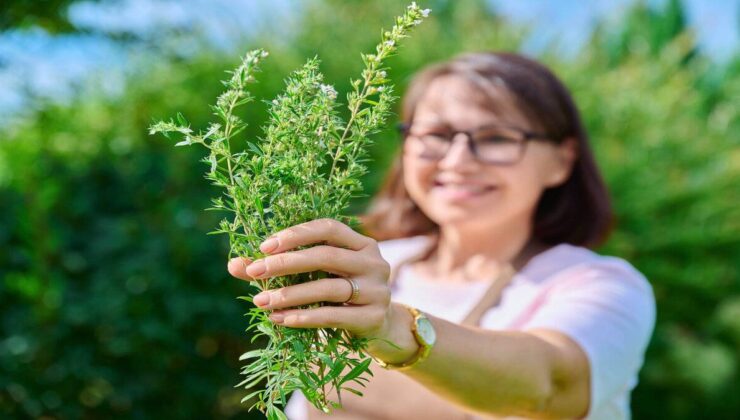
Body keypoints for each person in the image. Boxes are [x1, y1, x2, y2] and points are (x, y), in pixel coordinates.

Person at [227, 51, 656, 419]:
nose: (458, 160)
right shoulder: (372, 264)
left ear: (562, 161)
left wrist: (392, 327)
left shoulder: (601, 285)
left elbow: (551, 383)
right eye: (435, 134)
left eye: (497, 137)